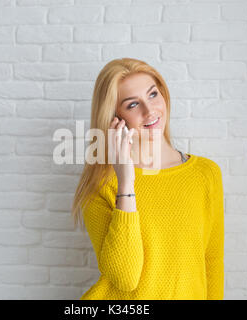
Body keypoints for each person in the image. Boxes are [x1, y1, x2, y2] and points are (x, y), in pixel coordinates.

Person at [71, 58, 224, 300]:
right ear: (115, 119)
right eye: (132, 104)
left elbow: (212, 259)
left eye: (153, 94)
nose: (149, 110)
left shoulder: (206, 173)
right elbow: (126, 278)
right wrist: (126, 182)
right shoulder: (101, 184)